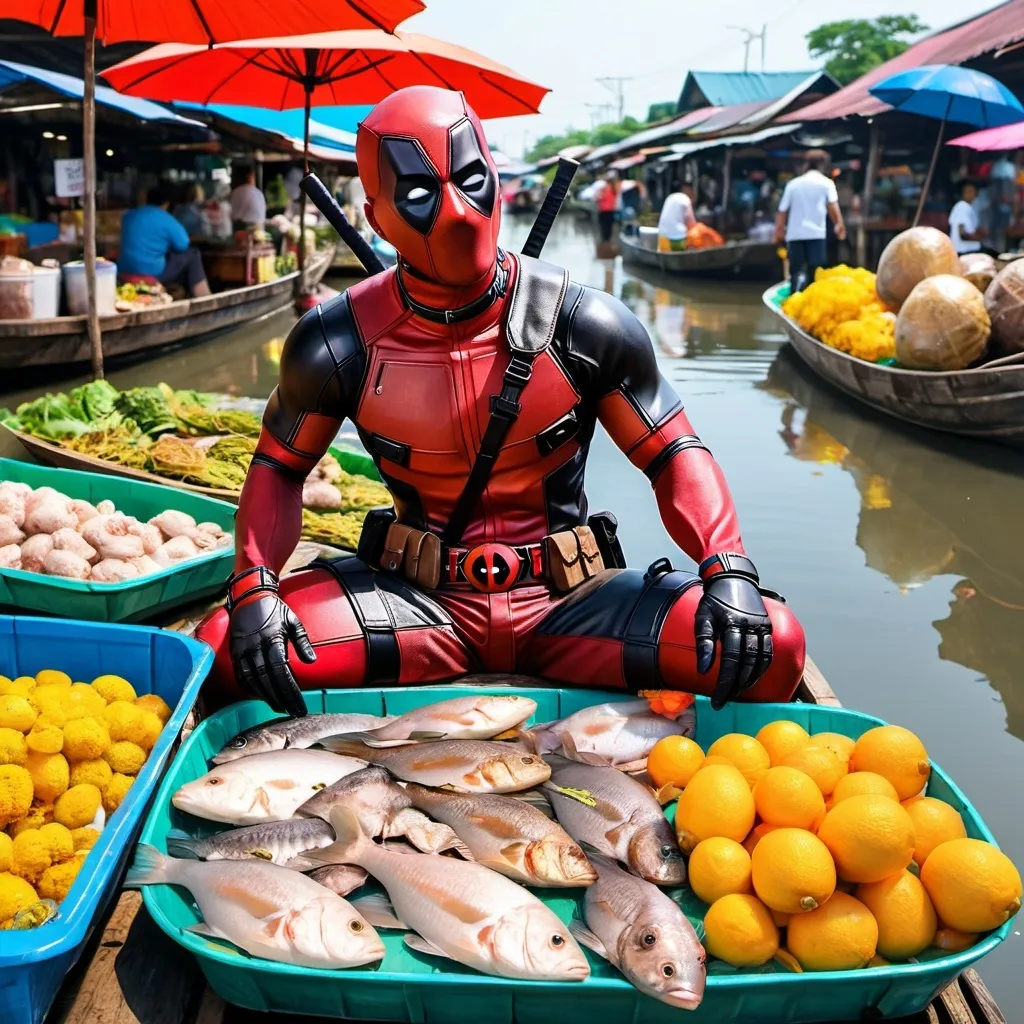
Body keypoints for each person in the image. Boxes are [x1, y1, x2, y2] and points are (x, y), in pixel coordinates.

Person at [195, 85, 805, 720]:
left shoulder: (583, 321)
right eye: (420, 195)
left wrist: (727, 567)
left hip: (572, 604)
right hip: (417, 605)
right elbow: (277, 468)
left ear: (499, 184)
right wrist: (254, 588)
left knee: (772, 646)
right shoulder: (337, 340)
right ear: (378, 219)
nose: (457, 212)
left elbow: (674, 451)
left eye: (471, 179)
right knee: (229, 651)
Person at [119, 184, 210, 297]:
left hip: (123, 272)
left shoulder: (128, 215)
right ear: (167, 203)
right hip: (152, 273)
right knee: (193, 254)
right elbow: (183, 245)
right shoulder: (166, 218)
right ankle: (203, 295)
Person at [775, 150, 846, 293]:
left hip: (794, 234)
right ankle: (808, 300)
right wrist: (840, 226)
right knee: (815, 272)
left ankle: (794, 298)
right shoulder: (827, 184)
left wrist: (779, 230)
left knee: (796, 271)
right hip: (816, 234)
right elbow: (833, 207)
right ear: (822, 165)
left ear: (806, 165)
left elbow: (782, 211)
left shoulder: (793, 184)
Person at [988, 154, 1016, 253]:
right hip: (1000, 203)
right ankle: (999, 250)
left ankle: (1001, 250)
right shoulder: (1008, 168)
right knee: (1000, 229)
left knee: (1002, 229)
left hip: (1002, 204)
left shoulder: (1002, 167)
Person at [949, 182, 986, 255]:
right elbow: (962, 233)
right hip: (963, 250)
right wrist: (978, 237)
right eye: (967, 192)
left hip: (969, 249)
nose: (969, 194)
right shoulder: (962, 206)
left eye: (971, 192)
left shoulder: (970, 208)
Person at [657, 186, 696, 252]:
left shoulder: (670, 197)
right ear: (690, 193)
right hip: (678, 239)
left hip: (662, 237)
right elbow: (690, 221)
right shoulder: (685, 199)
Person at [230, 166, 267, 231]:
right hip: (256, 228)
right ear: (250, 177)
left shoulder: (235, 193)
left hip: (240, 229)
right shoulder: (257, 193)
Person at [595, 170, 621, 242]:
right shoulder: (615, 188)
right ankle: (607, 241)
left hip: (603, 210)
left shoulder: (604, 188)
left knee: (604, 227)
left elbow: (598, 198)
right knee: (609, 227)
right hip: (610, 210)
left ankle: (605, 242)